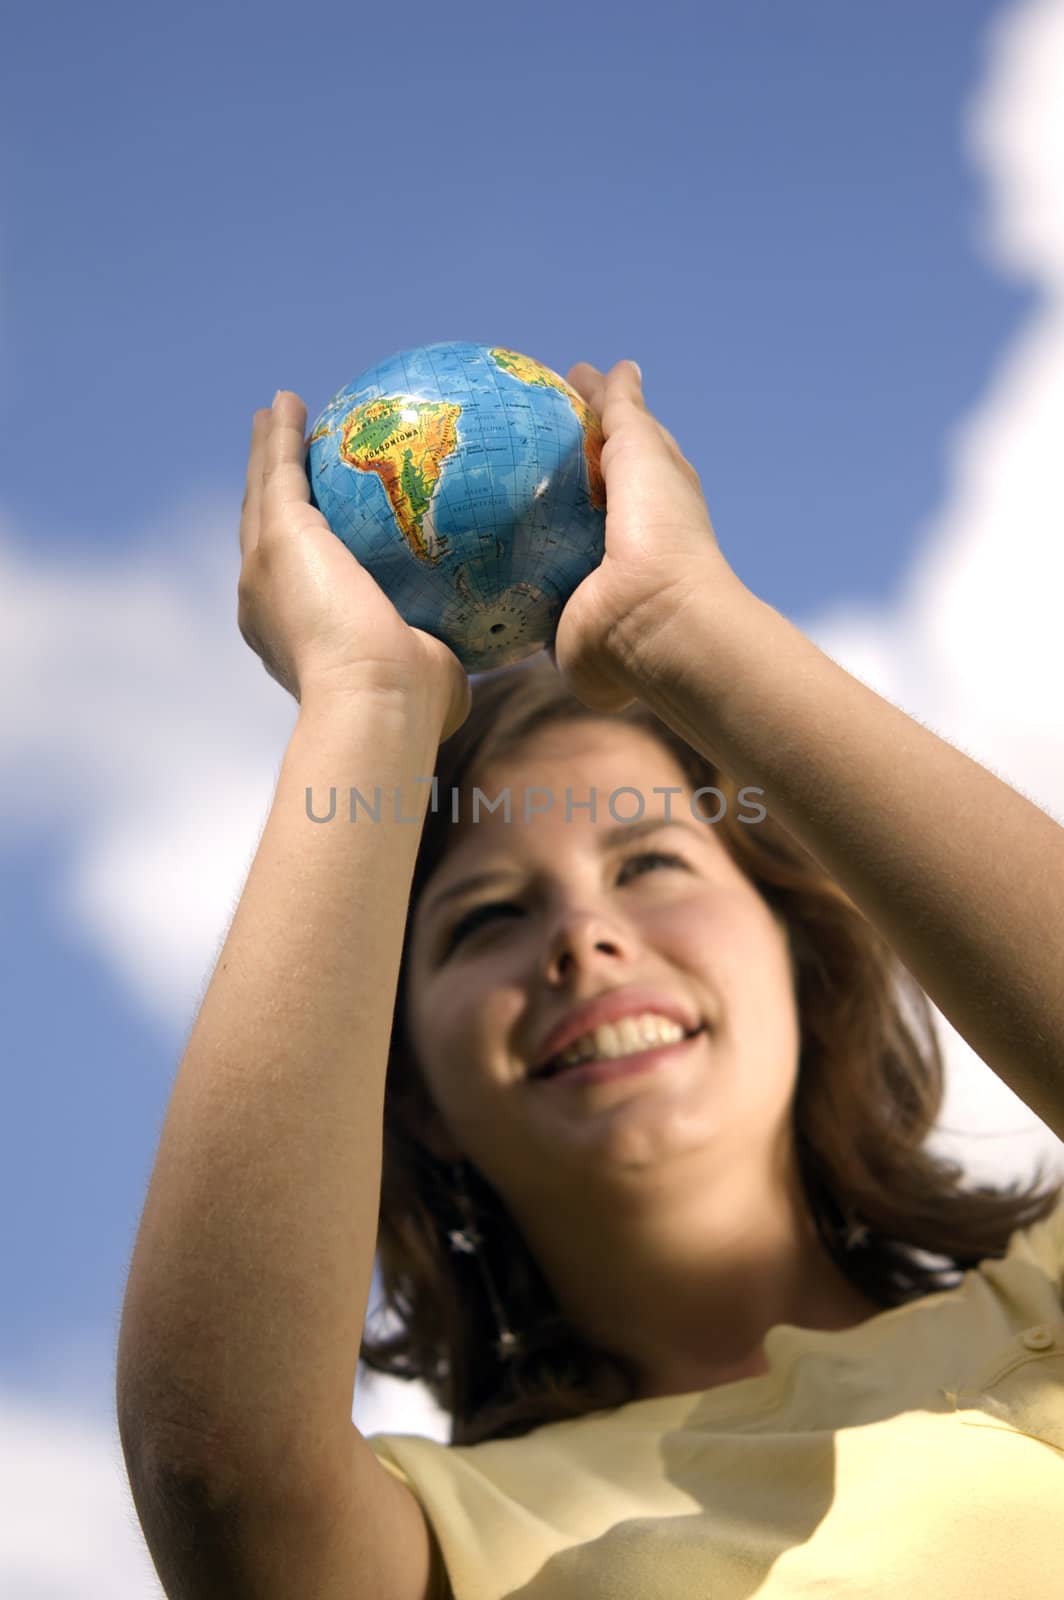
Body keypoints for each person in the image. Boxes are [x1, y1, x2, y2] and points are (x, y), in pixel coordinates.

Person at [117, 361, 1064, 1600]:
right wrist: (362, 703)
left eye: (651, 862)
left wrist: (676, 625)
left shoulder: (1035, 1294)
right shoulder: (438, 1540)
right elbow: (219, 1465)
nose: (583, 938)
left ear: (798, 956)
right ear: (403, 1093)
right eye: (488, 918)